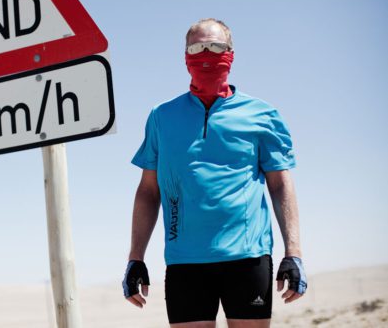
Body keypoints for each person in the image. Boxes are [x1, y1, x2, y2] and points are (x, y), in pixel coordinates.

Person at [122, 18, 307, 328]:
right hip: (185, 260)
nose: (206, 54)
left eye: (216, 46)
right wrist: (135, 257)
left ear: (231, 54)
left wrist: (294, 252)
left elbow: (280, 185)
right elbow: (148, 191)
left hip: (248, 257)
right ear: (185, 57)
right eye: (196, 47)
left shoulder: (263, 115)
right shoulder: (161, 116)